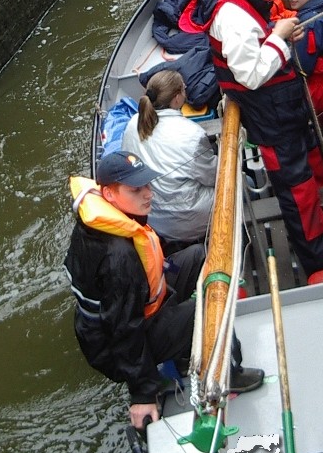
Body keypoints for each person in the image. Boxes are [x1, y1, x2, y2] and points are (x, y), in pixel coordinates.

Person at [187, 0, 323, 279]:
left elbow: (253, 46)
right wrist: (280, 39)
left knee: (313, 174)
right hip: (273, 116)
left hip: (284, 109)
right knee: (299, 194)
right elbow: (250, 74)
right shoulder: (231, 15)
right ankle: (321, 265)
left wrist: (274, 31)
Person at [64, 150, 264, 429]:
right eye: (136, 189)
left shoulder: (101, 220)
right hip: (118, 345)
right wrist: (143, 393)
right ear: (109, 194)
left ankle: (182, 350)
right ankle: (229, 375)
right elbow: (123, 330)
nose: (148, 194)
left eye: (147, 184)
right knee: (208, 312)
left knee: (197, 256)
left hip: (140, 308)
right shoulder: (118, 259)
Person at [122, 70, 218, 249]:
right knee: (244, 181)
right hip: (188, 220)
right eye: (184, 89)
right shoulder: (192, 134)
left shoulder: (132, 124)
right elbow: (214, 177)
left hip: (152, 217)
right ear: (177, 98)